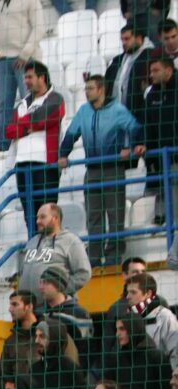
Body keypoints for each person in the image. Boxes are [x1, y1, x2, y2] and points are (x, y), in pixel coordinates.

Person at [58, 75, 143, 267]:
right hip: (93, 170)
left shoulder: (117, 110)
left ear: (101, 89)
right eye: (86, 89)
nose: (86, 92)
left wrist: (132, 146)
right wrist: (63, 154)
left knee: (115, 214)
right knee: (93, 216)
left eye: (90, 88)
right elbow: (71, 134)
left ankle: (113, 257)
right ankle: (94, 258)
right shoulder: (84, 111)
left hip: (113, 167)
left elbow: (135, 128)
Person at [7, 62, 66, 237]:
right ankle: (35, 245)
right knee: (30, 214)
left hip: (45, 163)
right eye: (25, 77)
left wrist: (23, 124)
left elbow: (46, 117)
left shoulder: (56, 99)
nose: (26, 81)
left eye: (30, 77)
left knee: (47, 212)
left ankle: (50, 246)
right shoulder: (22, 104)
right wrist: (30, 127)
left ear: (42, 78)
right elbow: (9, 131)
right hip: (22, 163)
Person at [0, 0, 43, 154]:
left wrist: (25, 53)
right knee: (3, 104)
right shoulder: (1, 4)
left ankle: (31, 138)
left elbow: (39, 28)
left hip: (25, 59)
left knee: (29, 100)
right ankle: (5, 141)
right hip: (3, 60)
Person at [16, 204, 92, 296]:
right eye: (37, 218)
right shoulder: (32, 242)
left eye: (42, 217)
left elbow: (84, 273)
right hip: (31, 304)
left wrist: (59, 293)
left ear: (55, 218)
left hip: (58, 303)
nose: (38, 221)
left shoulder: (71, 241)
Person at [140, 55, 177, 227]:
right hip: (164, 161)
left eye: (155, 70)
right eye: (150, 71)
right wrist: (149, 155)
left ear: (168, 70)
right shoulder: (152, 95)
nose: (151, 75)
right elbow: (149, 127)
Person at [126, 273, 178, 370]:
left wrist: (173, 375)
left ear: (148, 294)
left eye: (133, 292)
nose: (128, 296)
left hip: (160, 375)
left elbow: (175, 351)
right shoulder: (127, 317)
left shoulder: (165, 317)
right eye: (127, 292)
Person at [106, 22, 153, 116]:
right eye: (122, 39)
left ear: (139, 38)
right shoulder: (117, 60)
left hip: (138, 114)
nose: (124, 43)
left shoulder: (151, 57)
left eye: (127, 39)